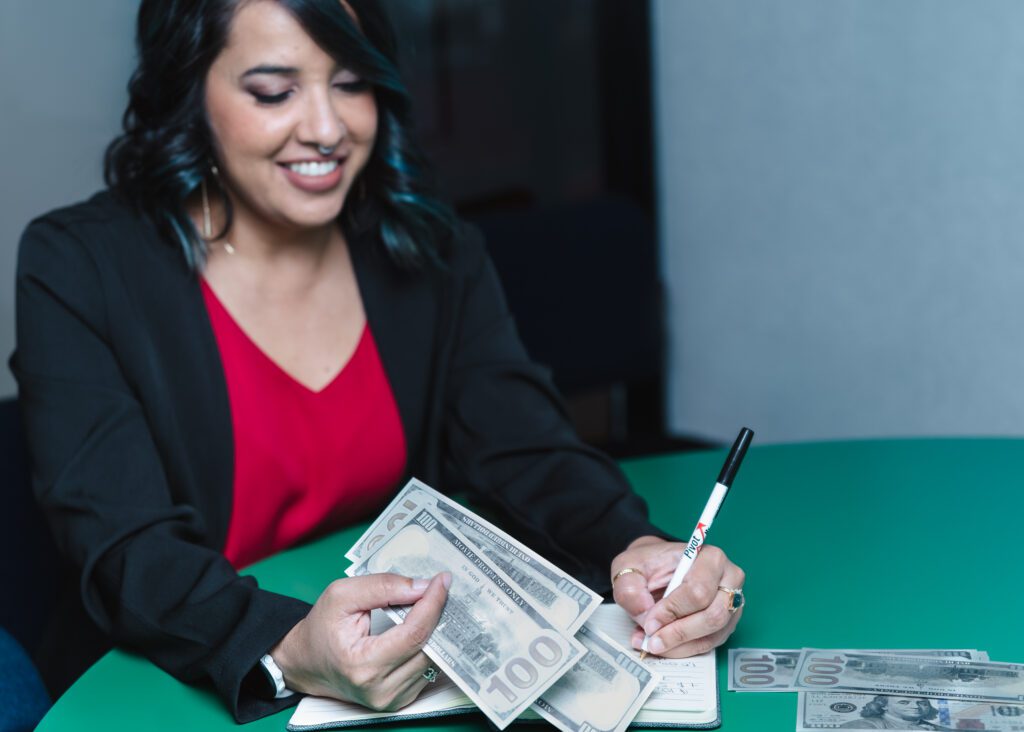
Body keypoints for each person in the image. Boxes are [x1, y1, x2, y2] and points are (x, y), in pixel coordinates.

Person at [11, 0, 746, 723]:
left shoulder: (426, 244)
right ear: (188, 92)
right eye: (274, 91)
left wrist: (637, 545)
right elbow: (127, 550)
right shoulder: (78, 266)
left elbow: (528, 448)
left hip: (402, 664)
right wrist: (288, 649)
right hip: (181, 677)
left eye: (352, 82)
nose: (328, 129)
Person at [840, 695, 952, 729]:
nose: (915, 707)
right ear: (884, 706)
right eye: (903, 702)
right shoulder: (862, 725)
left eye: (922, 703)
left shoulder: (942, 730)